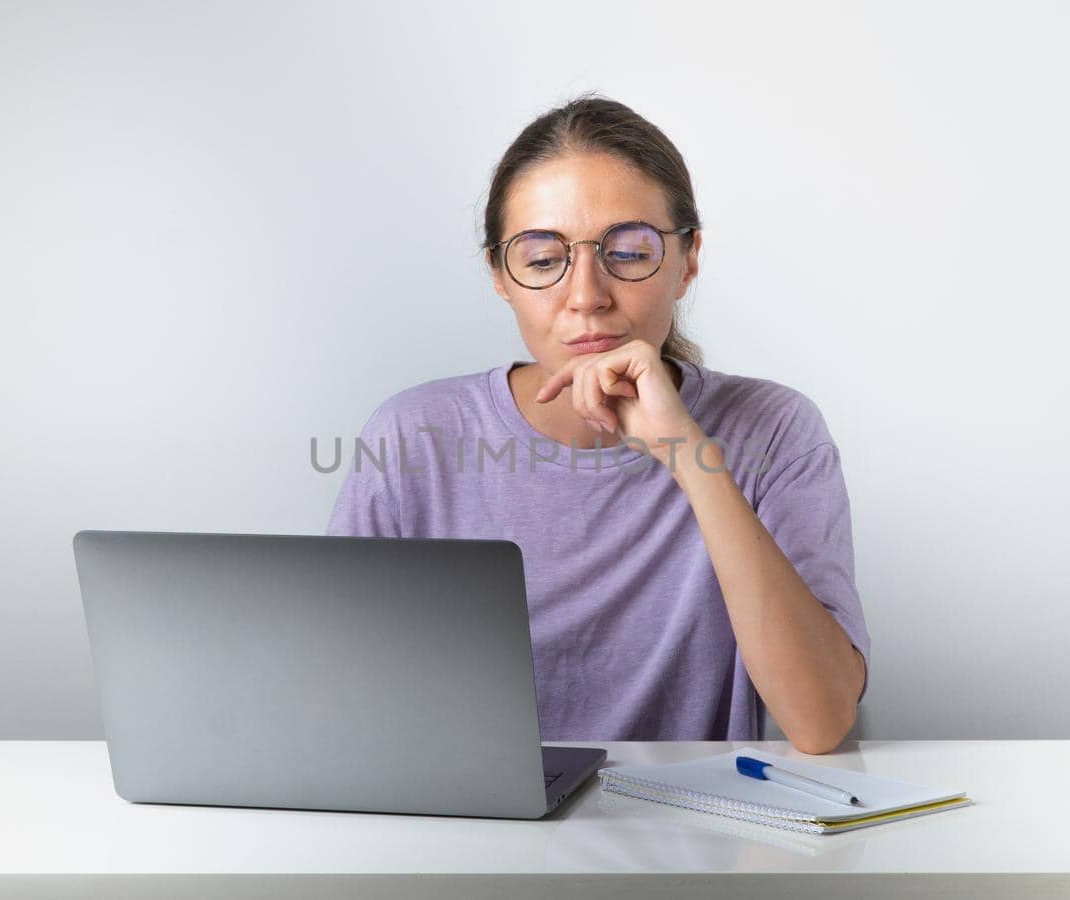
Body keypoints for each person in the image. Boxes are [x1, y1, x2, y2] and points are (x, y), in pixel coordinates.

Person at [326, 95, 868, 754]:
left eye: (631, 251)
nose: (587, 295)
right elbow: (343, 707)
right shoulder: (413, 435)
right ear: (500, 274)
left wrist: (689, 457)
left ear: (687, 259)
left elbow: (821, 720)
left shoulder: (775, 428)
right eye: (542, 257)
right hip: (472, 838)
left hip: (688, 839)